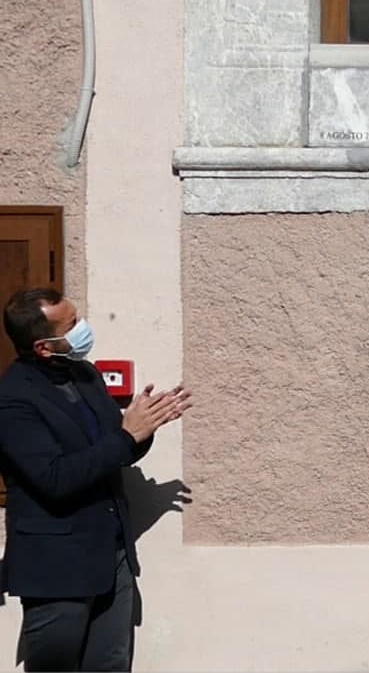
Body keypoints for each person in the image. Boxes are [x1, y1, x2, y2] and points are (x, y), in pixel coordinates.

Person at [0, 288, 192, 672]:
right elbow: (55, 478)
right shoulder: (14, 400)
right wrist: (125, 436)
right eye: (72, 324)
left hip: (113, 555)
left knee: (111, 664)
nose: (82, 328)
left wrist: (145, 427)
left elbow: (115, 451)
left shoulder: (84, 374)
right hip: (57, 569)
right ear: (43, 347)